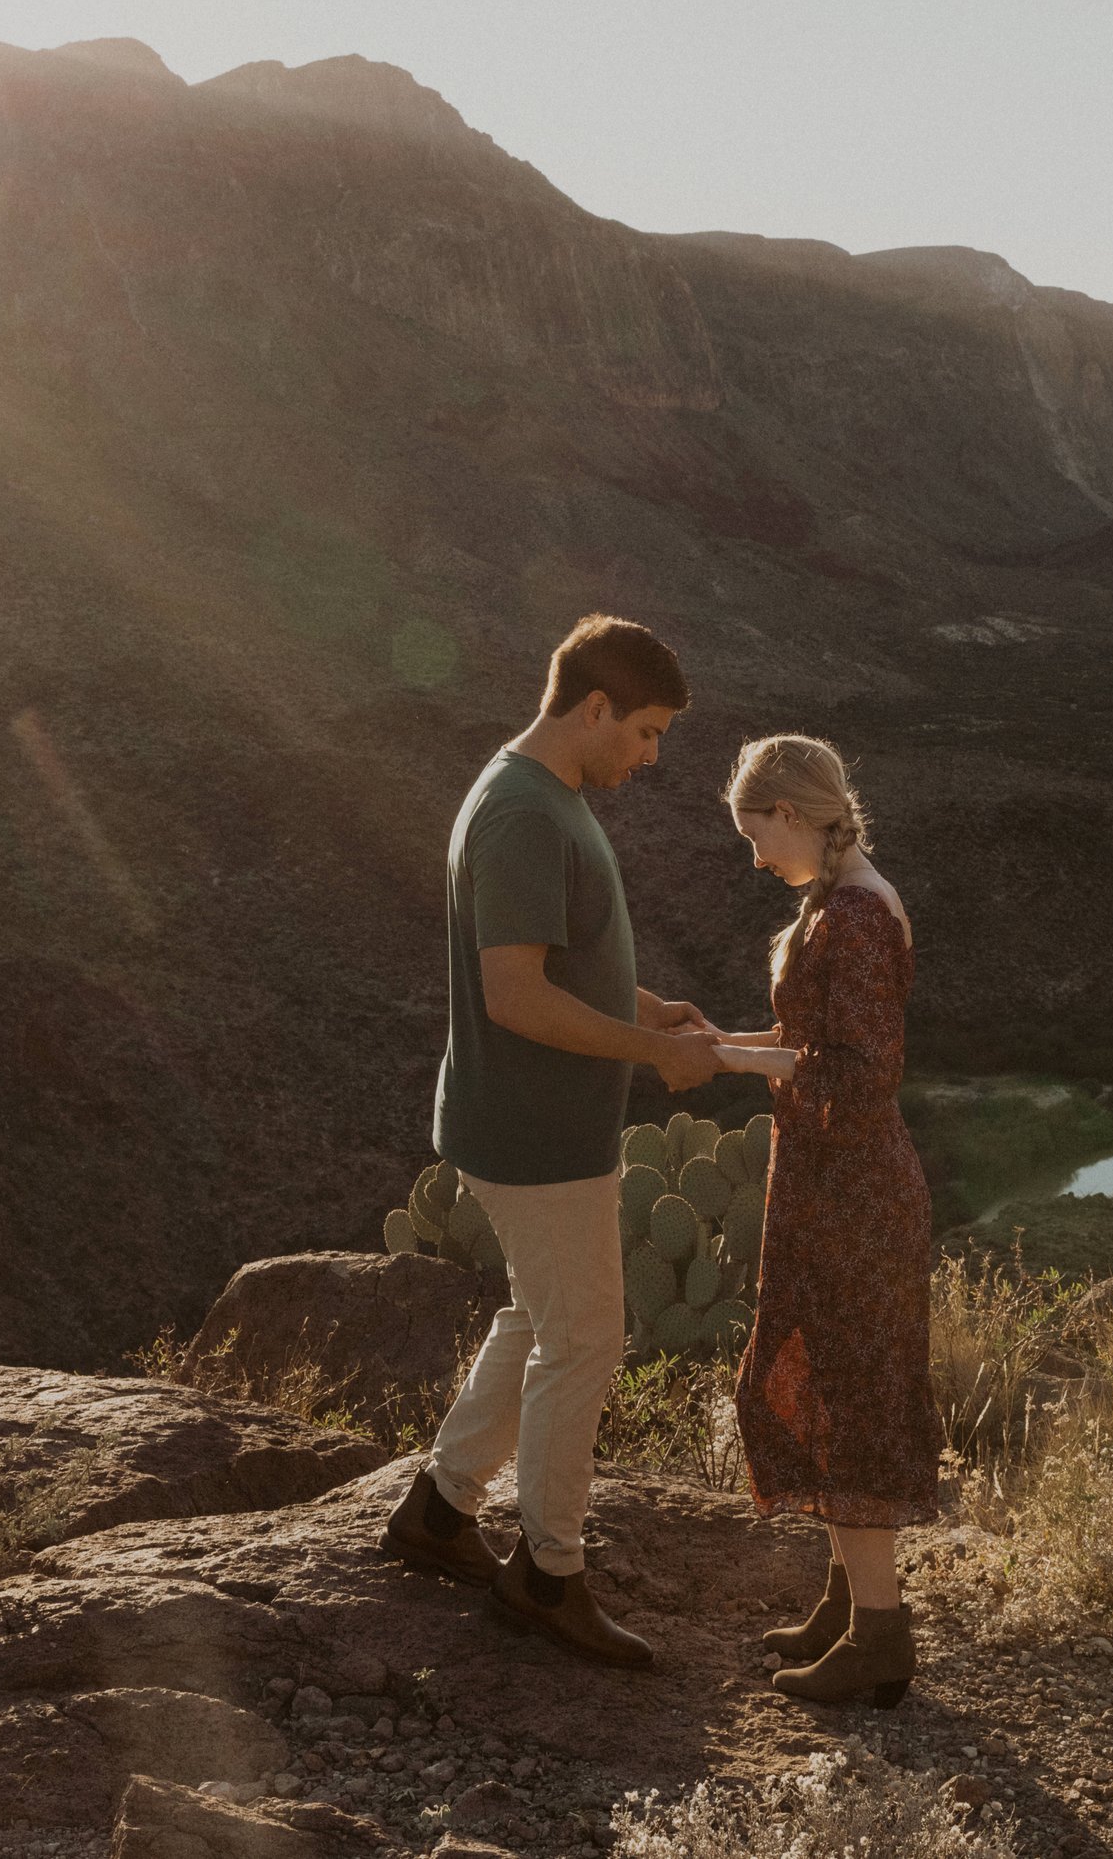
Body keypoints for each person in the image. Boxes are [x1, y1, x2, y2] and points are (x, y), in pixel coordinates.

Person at [380, 615, 724, 1669]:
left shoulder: (535, 793)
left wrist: (647, 1006)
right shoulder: (526, 814)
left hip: (529, 1122)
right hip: (535, 1131)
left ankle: (439, 1513)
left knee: (539, 1316)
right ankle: (548, 1574)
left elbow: (558, 958)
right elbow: (516, 995)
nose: (650, 757)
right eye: (646, 733)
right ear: (593, 708)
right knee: (586, 1339)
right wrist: (642, 1051)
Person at [713, 734, 941, 1707]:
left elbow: (859, 1071)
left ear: (791, 815)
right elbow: (815, 1040)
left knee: (849, 1398)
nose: (754, 857)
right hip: (828, 1188)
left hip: (851, 1195)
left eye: (756, 834)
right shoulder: (835, 899)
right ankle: (849, 1604)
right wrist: (724, 1040)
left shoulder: (848, 916)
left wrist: (733, 1064)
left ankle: (879, 1638)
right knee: (836, 1381)